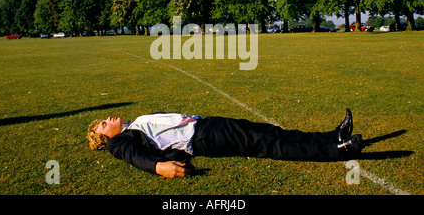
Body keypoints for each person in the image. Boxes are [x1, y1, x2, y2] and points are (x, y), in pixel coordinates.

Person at [87, 109, 363, 178]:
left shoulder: (132, 124)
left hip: (204, 124)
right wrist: (158, 166)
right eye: (103, 124)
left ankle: (331, 136)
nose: (107, 120)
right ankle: (333, 151)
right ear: (105, 138)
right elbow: (132, 156)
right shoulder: (118, 143)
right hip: (203, 138)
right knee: (266, 144)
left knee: (270, 131)